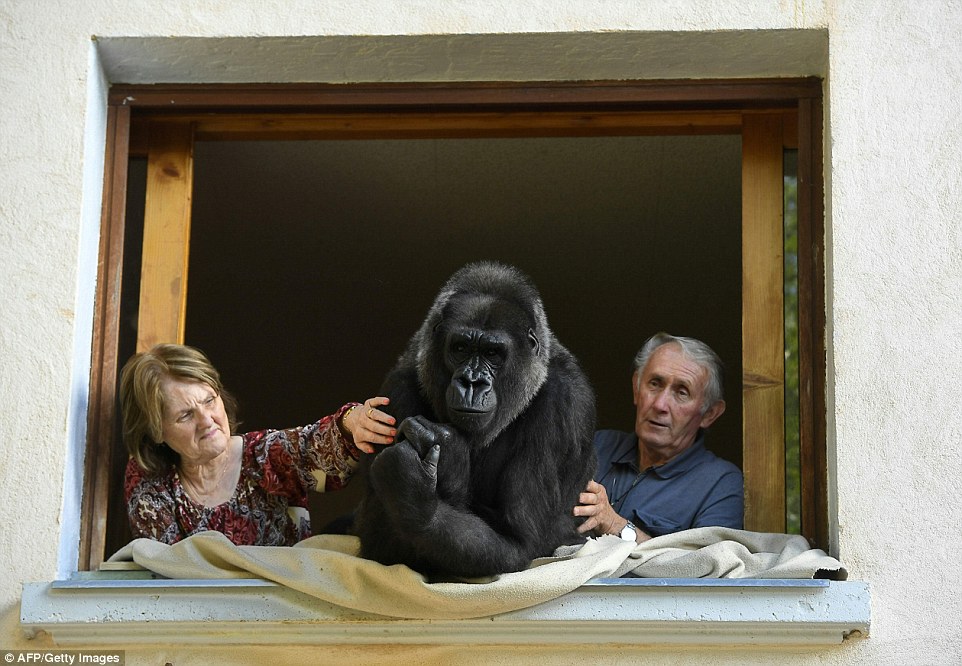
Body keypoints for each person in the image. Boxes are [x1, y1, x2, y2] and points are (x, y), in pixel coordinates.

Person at [121, 343, 397, 546]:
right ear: (156, 431)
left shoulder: (263, 456)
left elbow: (312, 444)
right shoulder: (153, 484)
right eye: (185, 415)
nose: (207, 421)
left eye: (209, 400)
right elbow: (169, 572)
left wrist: (352, 422)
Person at [574, 332, 743, 543]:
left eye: (682, 392)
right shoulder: (597, 445)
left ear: (709, 414)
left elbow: (703, 568)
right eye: (654, 384)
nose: (660, 405)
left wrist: (615, 525)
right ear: (636, 388)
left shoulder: (720, 483)